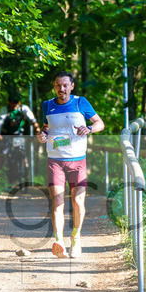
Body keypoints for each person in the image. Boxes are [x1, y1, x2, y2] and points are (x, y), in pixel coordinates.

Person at [36, 71, 104, 258]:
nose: (61, 89)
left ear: (72, 86)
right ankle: (58, 241)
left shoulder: (80, 102)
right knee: (57, 201)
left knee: (77, 201)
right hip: (55, 161)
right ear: (54, 86)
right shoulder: (47, 105)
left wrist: (89, 129)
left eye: (65, 85)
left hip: (77, 161)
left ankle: (76, 237)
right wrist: (42, 135)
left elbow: (100, 123)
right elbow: (46, 128)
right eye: (58, 85)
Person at [0, 97, 39, 185]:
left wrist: (37, 130)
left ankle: (25, 169)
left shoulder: (23, 108)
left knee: (22, 151)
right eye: (11, 101)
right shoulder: (5, 109)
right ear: (8, 102)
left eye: (15, 101)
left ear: (19, 102)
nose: (13, 104)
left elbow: (33, 120)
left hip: (18, 134)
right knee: (3, 153)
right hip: (5, 134)